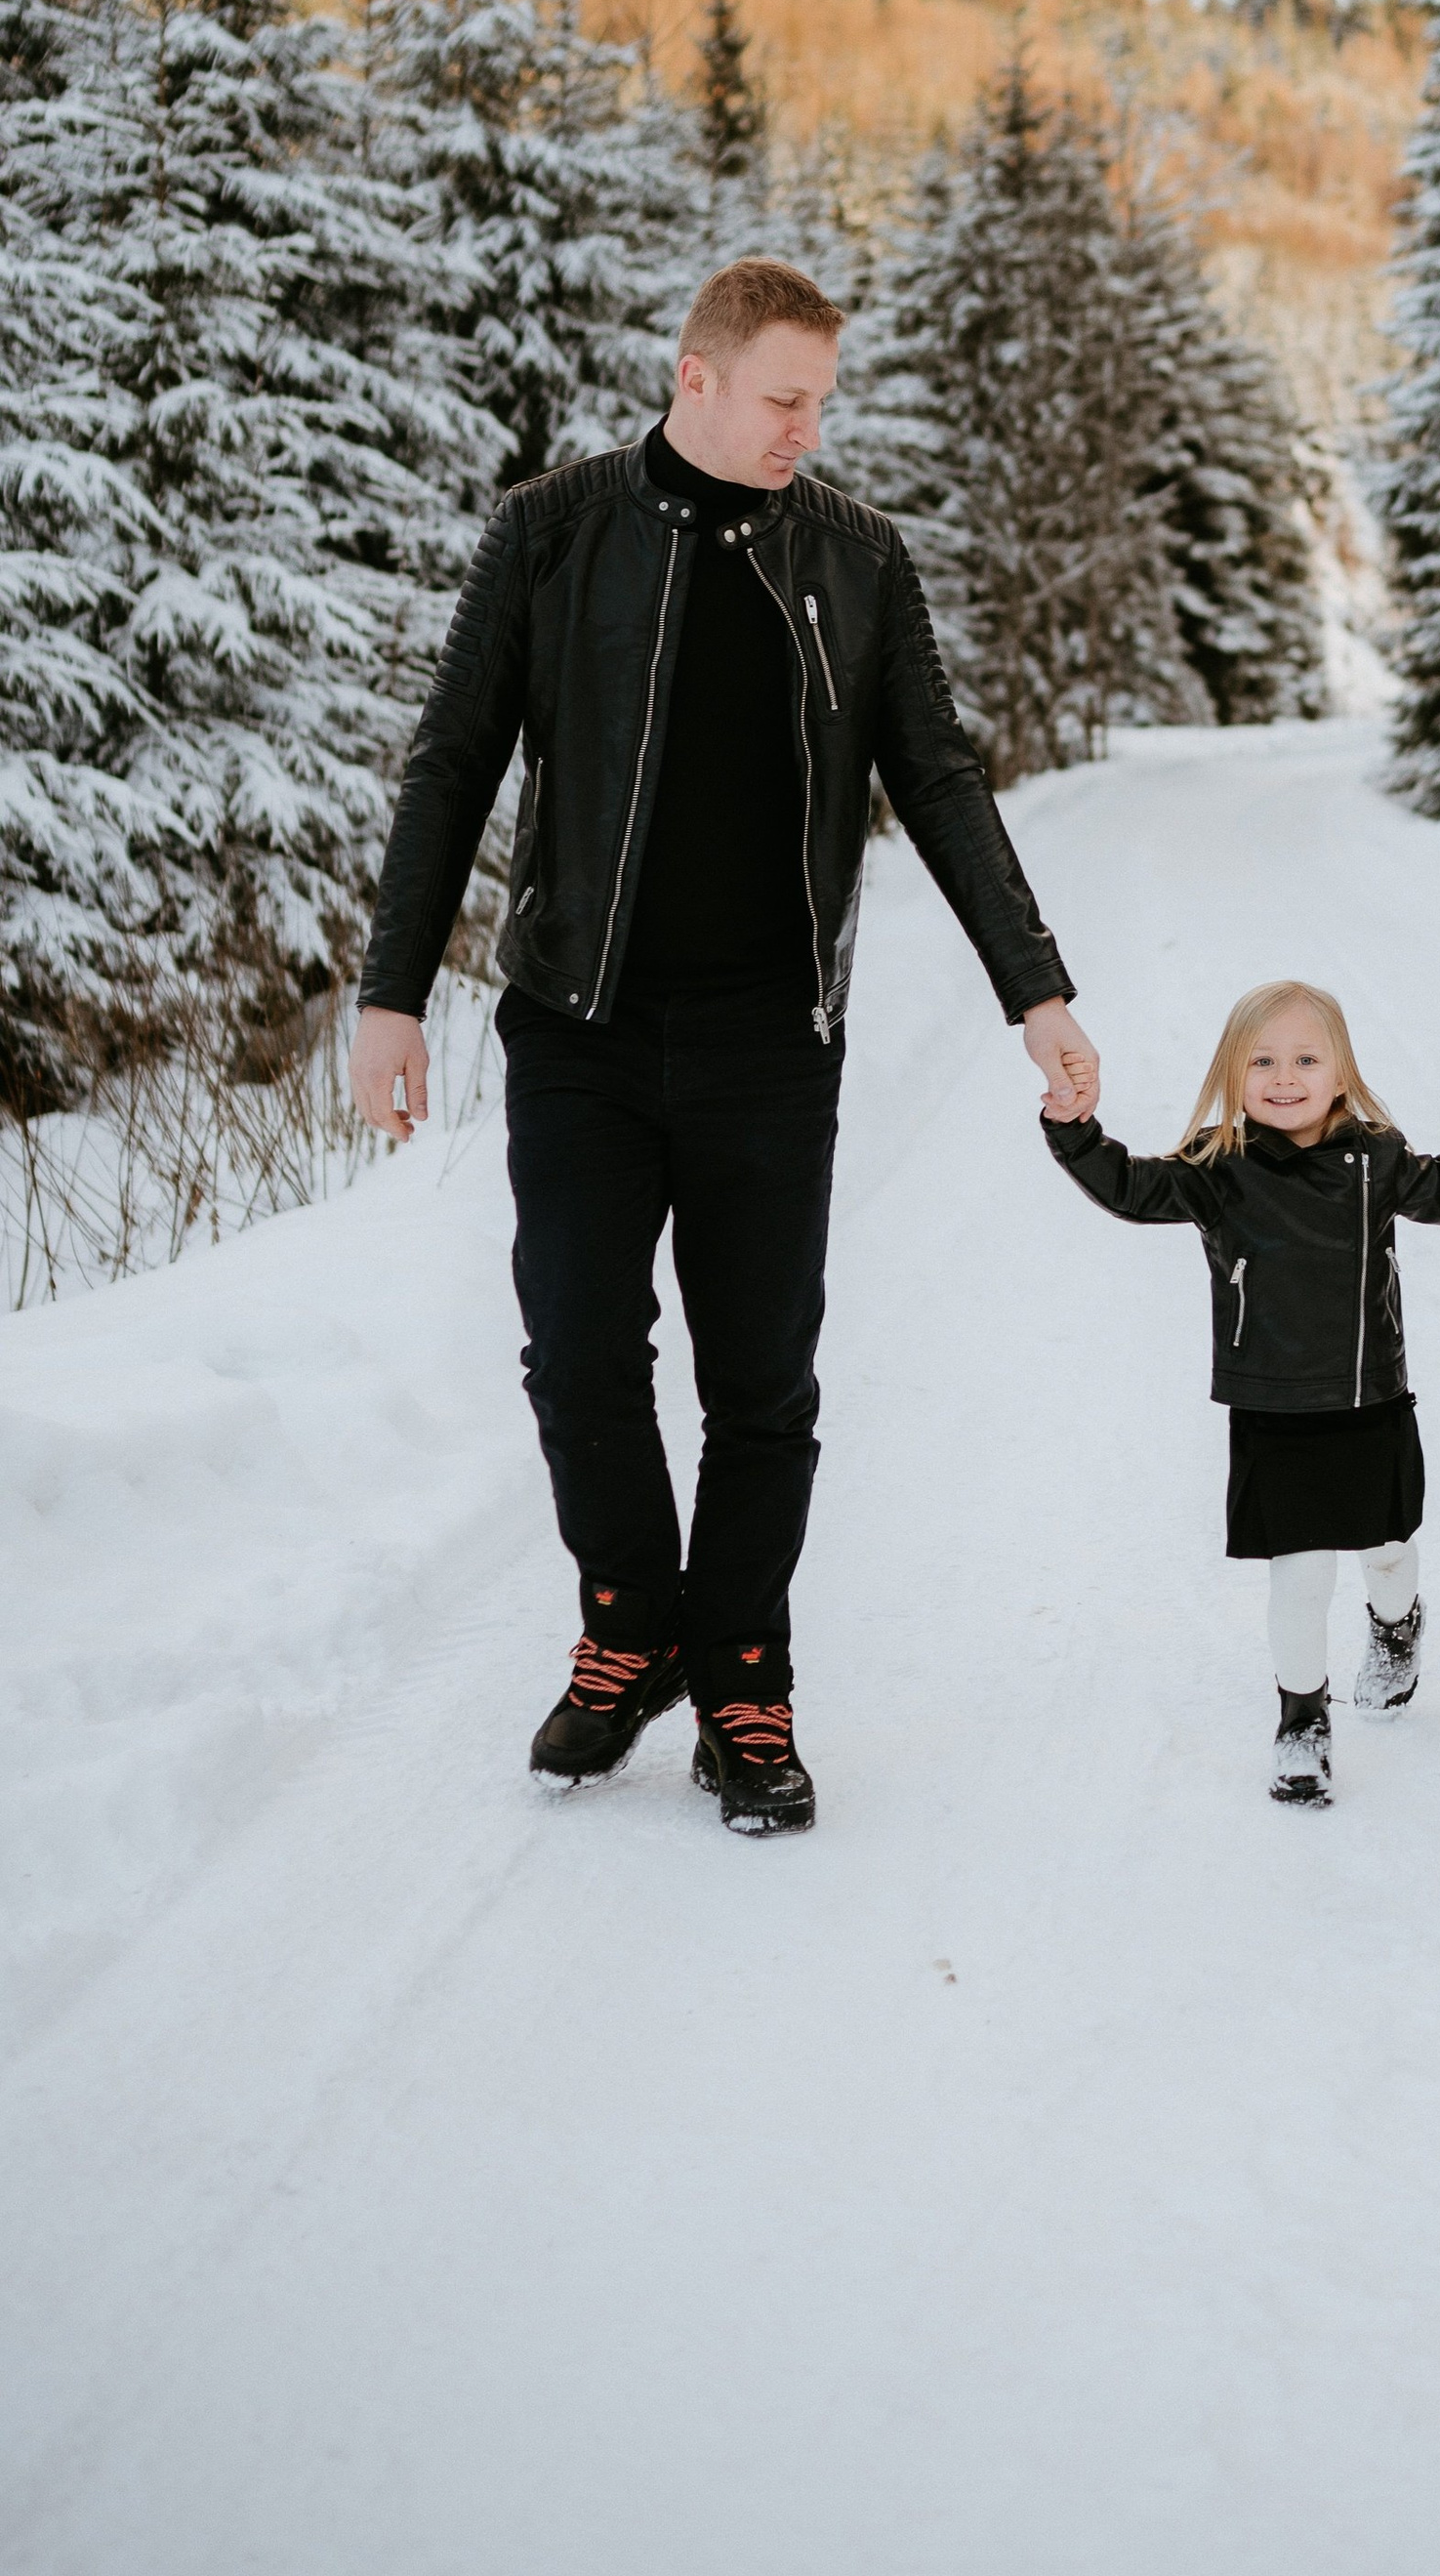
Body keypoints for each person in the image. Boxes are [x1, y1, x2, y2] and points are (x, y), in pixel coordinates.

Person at [350, 255, 1097, 1837]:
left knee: (763, 1381)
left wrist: (1034, 987)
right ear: (694, 376)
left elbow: (943, 779)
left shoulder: (859, 560)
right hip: (582, 1024)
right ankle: (631, 1624)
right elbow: (452, 757)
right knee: (576, 1349)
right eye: (781, 399)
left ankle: (745, 1676)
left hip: (771, 1035)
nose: (804, 432)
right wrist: (390, 989)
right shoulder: (551, 531)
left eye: (820, 402)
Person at [1043, 980, 1440, 1806]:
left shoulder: (1375, 1158)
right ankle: (1302, 1720)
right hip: (1275, 1409)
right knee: (1300, 1574)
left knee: (1387, 1553)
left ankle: (1397, 1625)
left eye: (1306, 1059)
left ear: (1341, 1072)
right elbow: (1131, 1189)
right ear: (1233, 1073)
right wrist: (1073, 1129)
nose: (1285, 1077)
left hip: (1369, 1401)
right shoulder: (1220, 1168)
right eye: (1264, 1060)